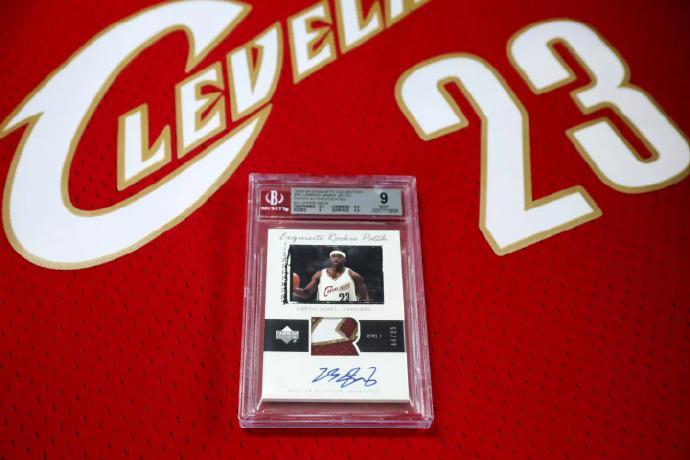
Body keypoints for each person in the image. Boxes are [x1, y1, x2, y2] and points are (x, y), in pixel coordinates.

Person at [292, 250, 368, 302]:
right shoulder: (319, 274)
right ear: (330, 259)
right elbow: (306, 294)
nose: (336, 258)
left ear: (344, 259)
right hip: (325, 311)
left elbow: (365, 298)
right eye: (333, 256)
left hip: (347, 312)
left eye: (339, 256)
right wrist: (291, 287)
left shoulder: (354, 276)